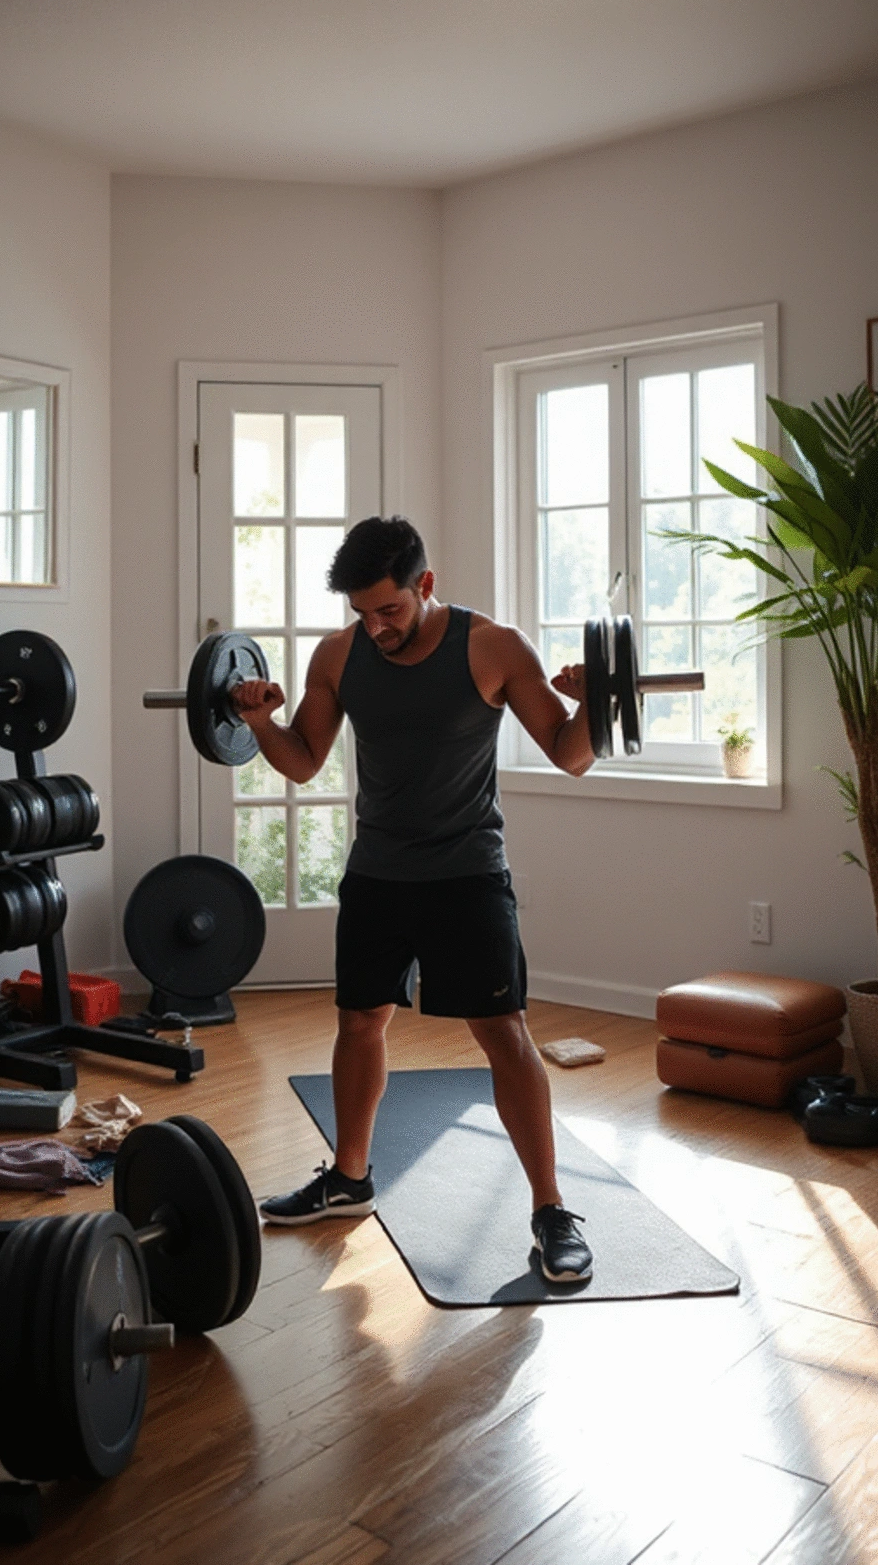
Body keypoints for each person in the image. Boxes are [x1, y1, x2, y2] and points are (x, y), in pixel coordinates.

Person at [233, 516, 596, 1282]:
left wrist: (595, 700)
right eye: (362, 612)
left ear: (425, 586)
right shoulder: (339, 655)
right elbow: (301, 761)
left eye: (388, 610)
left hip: (467, 873)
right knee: (360, 1020)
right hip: (378, 872)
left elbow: (570, 754)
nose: (375, 626)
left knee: (504, 1034)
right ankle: (350, 1177)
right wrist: (261, 720)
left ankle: (550, 1210)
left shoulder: (493, 647)